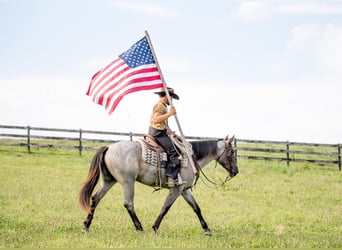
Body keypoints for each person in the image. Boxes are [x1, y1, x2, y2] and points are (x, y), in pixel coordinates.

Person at [148, 87, 182, 187]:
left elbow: (164, 125)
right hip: (157, 133)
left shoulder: (163, 106)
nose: (171, 100)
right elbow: (156, 120)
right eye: (171, 98)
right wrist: (170, 114)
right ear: (167, 96)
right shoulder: (159, 106)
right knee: (174, 151)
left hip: (161, 131)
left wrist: (172, 133)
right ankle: (171, 177)